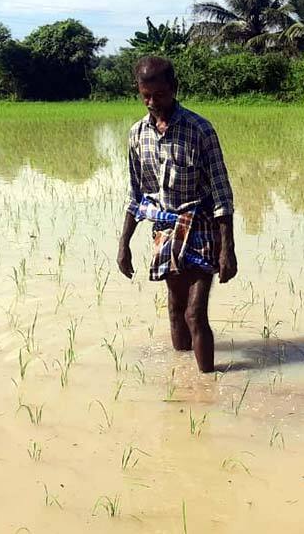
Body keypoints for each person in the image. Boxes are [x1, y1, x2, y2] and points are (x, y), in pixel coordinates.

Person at [116, 55, 237, 373]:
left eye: (159, 95)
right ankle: (184, 378)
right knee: (175, 310)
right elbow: (136, 195)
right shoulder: (137, 135)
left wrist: (228, 249)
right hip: (165, 230)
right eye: (145, 96)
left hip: (200, 227)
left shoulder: (200, 130)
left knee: (195, 313)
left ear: (174, 88)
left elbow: (222, 194)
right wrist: (124, 244)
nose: (152, 102)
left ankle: (208, 383)